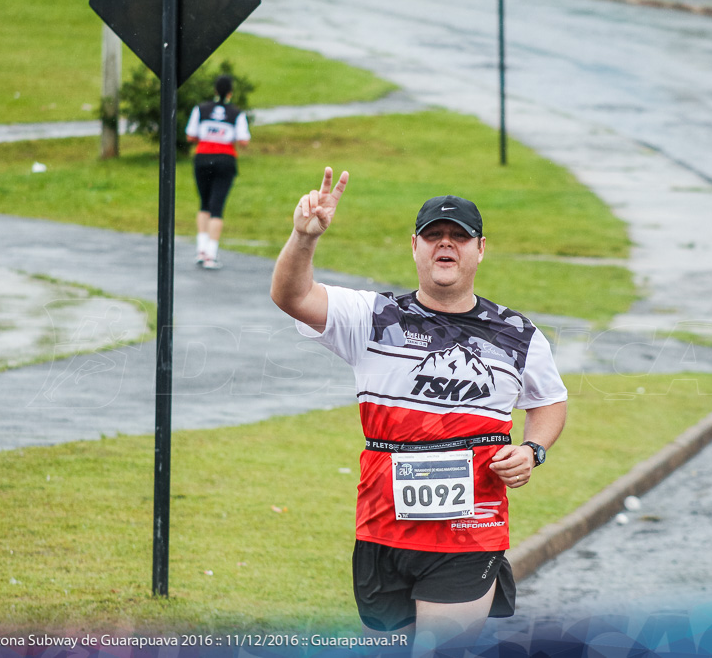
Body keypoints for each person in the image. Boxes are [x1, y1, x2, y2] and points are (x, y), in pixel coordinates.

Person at [270, 168, 568, 654]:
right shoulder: (373, 316)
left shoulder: (518, 334)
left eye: (458, 237)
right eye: (434, 236)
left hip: (469, 533)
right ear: (415, 246)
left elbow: (549, 400)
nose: (444, 245)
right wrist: (304, 238)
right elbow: (292, 296)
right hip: (382, 528)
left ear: (480, 249)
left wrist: (533, 449)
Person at [185, 74, 250, 270]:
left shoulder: (201, 109)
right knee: (217, 207)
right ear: (230, 93)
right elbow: (244, 140)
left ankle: (201, 249)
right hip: (225, 160)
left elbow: (190, 136)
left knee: (204, 204)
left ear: (215, 91)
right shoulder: (236, 113)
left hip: (202, 159)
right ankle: (211, 254)